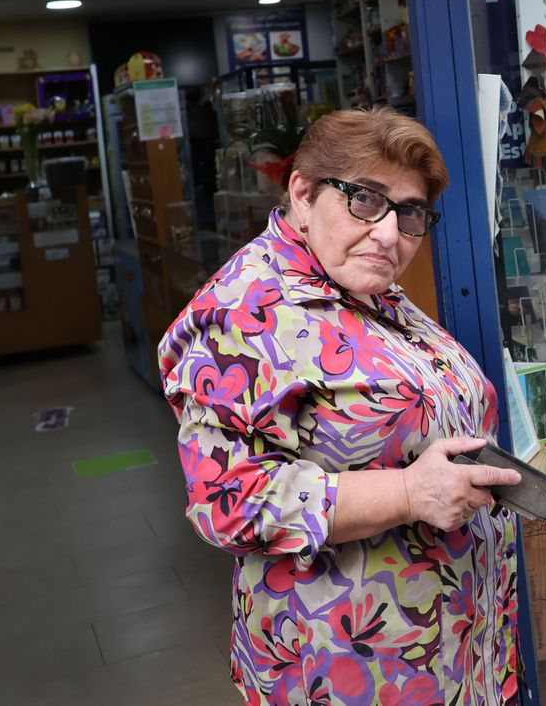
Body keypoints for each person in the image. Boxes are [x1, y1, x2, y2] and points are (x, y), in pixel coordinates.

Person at [160, 108, 523, 704]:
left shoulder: (362, 284)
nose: (389, 232)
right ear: (302, 193)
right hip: (352, 668)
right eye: (365, 199)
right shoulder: (245, 310)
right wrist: (409, 494)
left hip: (454, 650)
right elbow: (228, 500)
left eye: (410, 213)